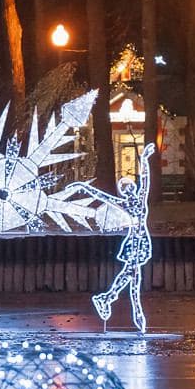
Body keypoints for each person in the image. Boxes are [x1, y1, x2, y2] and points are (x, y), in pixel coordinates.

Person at [66, 142, 156, 333]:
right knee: (133, 276)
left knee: (134, 278)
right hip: (134, 242)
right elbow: (101, 196)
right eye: (125, 188)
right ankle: (120, 305)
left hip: (141, 241)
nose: (129, 189)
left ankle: (110, 300)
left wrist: (145, 158)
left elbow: (146, 180)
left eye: (130, 186)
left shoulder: (141, 199)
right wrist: (83, 186)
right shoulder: (122, 203)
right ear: (123, 192)